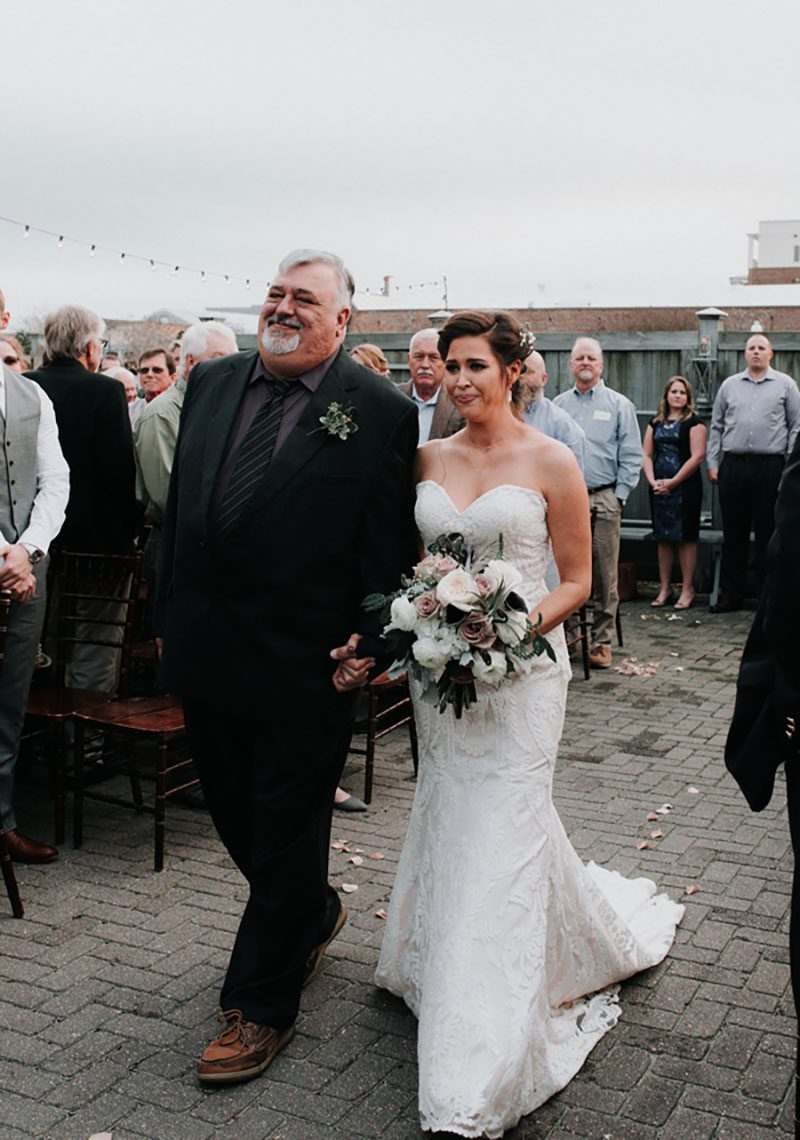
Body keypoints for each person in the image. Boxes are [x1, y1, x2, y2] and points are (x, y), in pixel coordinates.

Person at [374, 309, 683, 1138]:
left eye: (475, 365)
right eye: (449, 365)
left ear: (513, 370)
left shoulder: (553, 459)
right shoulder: (427, 457)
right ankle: (432, 962)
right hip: (441, 677)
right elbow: (415, 565)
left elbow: (577, 580)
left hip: (522, 678)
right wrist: (432, 624)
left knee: (502, 826)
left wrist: (508, 633)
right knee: (453, 815)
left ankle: (482, 1051)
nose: (459, 379)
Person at [157, 248, 418, 1084]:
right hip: (205, 650)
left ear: (344, 320)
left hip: (309, 664)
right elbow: (180, 516)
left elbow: (383, 545)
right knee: (237, 815)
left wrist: (373, 642)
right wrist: (168, 618)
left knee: (289, 823)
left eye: (305, 298)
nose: (283, 307)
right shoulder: (213, 383)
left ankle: (259, 1007)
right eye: (275, 292)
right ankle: (312, 912)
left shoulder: (375, 408)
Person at [26, 306, 139, 692]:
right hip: (97, 545)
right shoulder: (105, 390)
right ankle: (84, 743)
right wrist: (131, 531)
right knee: (94, 645)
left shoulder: (25, 386)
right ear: (91, 347)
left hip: (36, 541)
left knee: (40, 638)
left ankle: (41, 741)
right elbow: (119, 469)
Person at [0, 291, 70, 864]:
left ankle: (2, 821)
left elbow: (56, 479)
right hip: (9, 567)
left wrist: (29, 550)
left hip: (28, 575)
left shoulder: (33, 393)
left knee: (11, 697)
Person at [134, 321, 238, 633]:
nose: (232, 367)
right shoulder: (163, 414)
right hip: (175, 546)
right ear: (191, 363)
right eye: (221, 357)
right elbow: (167, 495)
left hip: (212, 547)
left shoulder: (218, 408)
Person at [553, 337, 642, 668]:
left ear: (601, 365)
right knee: (565, 570)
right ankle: (570, 637)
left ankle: (602, 643)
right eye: (580, 358)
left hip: (603, 497)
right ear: (571, 365)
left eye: (591, 357)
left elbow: (632, 454)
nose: (586, 362)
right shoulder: (558, 405)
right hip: (565, 498)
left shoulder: (619, 405)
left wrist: (619, 496)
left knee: (604, 575)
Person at [707, 333, 800, 613]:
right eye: (751, 348)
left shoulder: (785, 385)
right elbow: (716, 425)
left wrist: (789, 472)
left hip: (770, 467)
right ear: (745, 354)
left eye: (761, 348)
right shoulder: (730, 386)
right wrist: (713, 462)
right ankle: (730, 594)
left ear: (771, 354)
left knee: (767, 533)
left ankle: (765, 597)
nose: (756, 352)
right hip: (733, 466)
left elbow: (797, 427)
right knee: (733, 534)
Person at [642, 376, 707, 610]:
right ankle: (664, 588)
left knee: (686, 538)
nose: (678, 395)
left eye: (682, 392)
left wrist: (674, 481)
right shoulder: (655, 423)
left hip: (685, 488)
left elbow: (697, 456)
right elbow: (647, 454)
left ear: (688, 397)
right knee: (663, 537)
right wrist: (653, 481)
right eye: (674, 391)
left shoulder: (695, 423)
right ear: (667, 395)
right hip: (659, 488)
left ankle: (687, 589)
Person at [521, 349, 586, 471]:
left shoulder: (561, 424)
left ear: (544, 379)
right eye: (518, 371)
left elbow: (572, 480)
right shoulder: (495, 416)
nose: (521, 378)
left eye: (529, 372)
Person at [397, 328, 462, 442]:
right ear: (409, 359)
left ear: (445, 361)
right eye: (419, 356)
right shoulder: (393, 398)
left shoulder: (459, 404)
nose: (425, 365)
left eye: (434, 358)